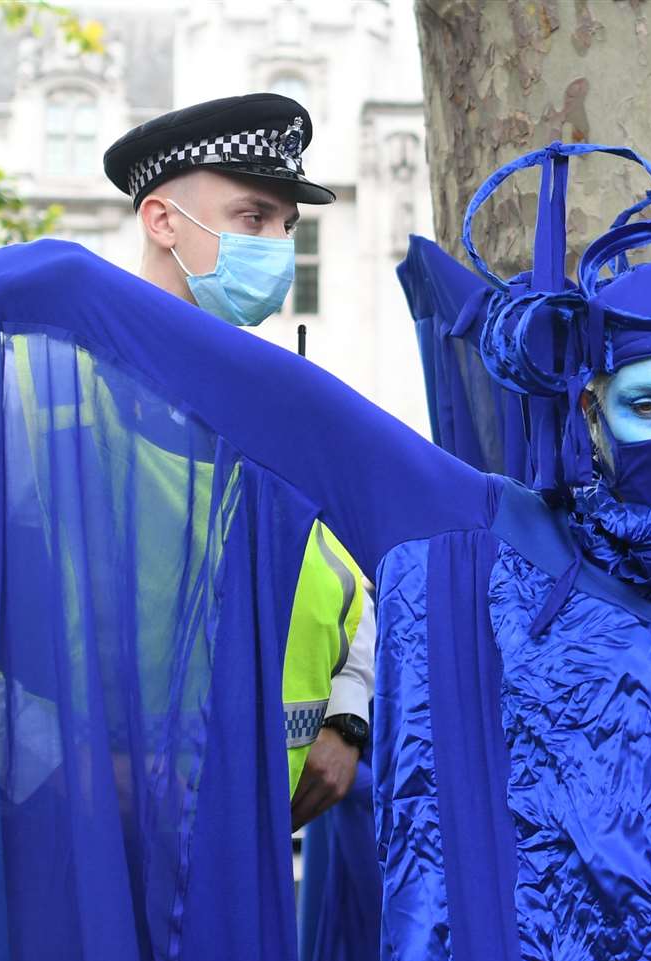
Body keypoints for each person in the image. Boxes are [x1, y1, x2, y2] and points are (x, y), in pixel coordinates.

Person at [102, 93, 373, 828]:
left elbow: (347, 576)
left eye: (287, 227)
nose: (277, 248)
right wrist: (67, 761)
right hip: (90, 834)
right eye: (252, 219)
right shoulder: (62, 395)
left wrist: (346, 716)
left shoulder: (285, 406)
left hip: (255, 831)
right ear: (162, 221)